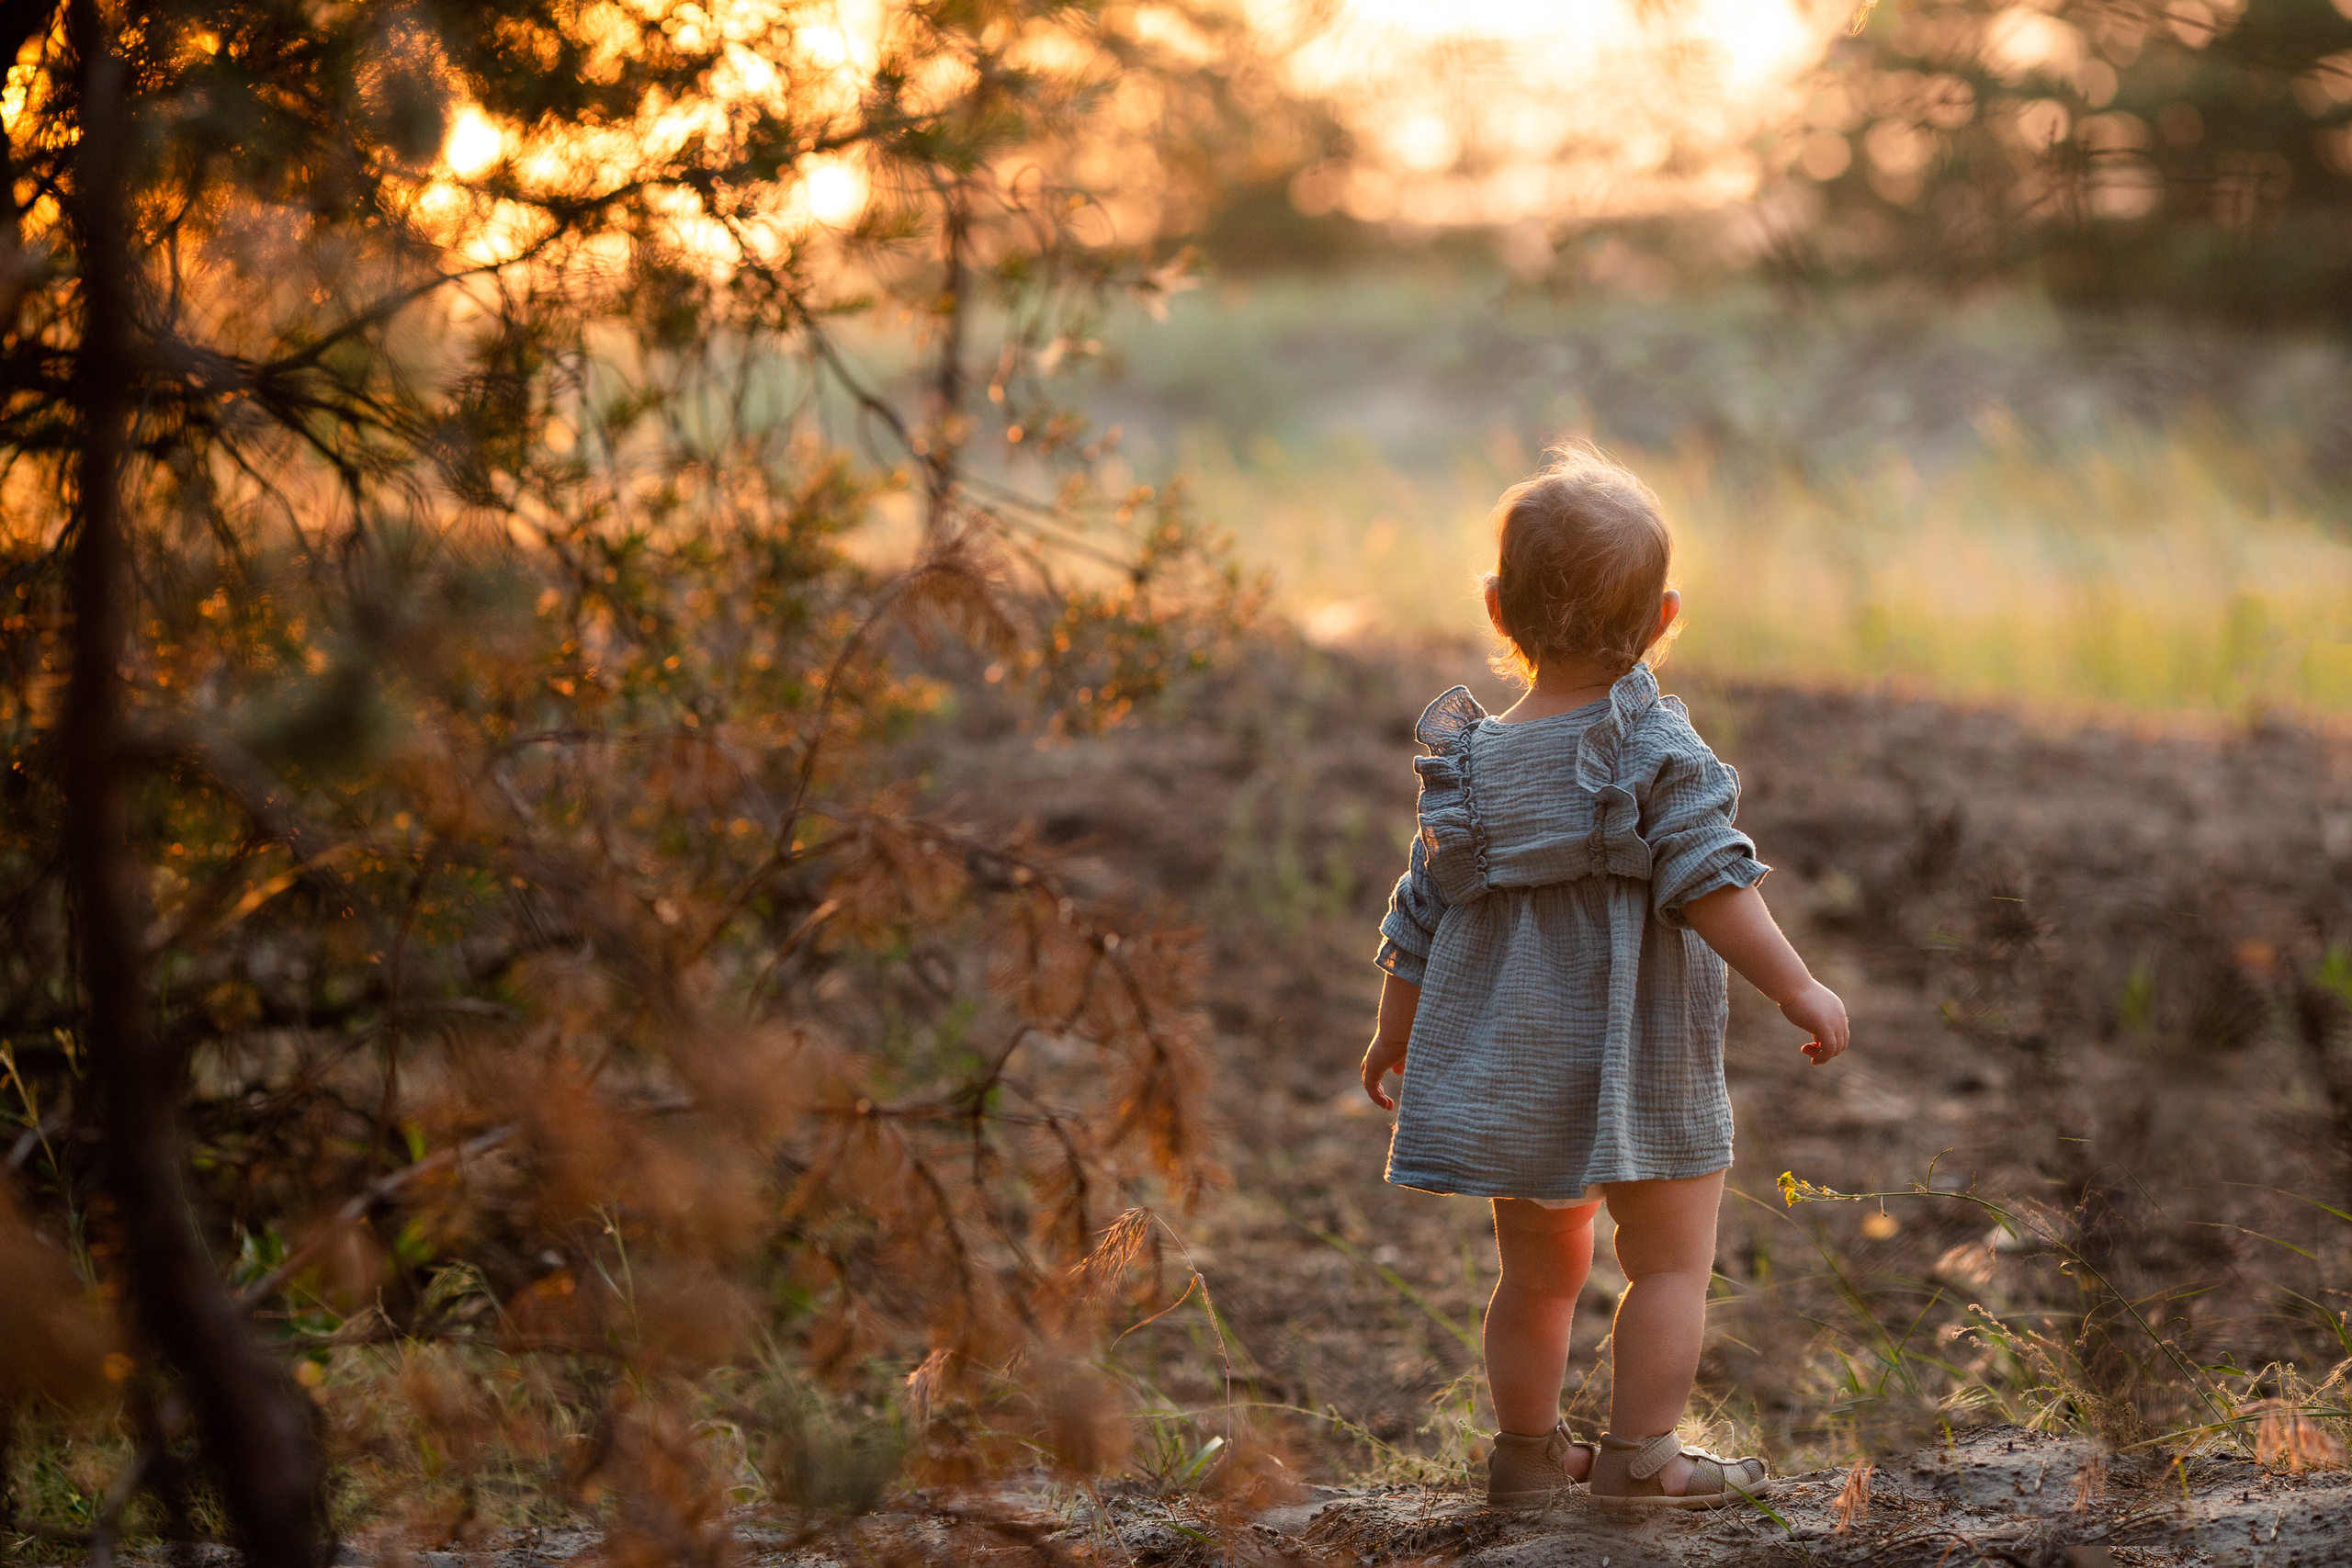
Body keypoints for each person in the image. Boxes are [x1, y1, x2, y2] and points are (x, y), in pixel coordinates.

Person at [1359, 446, 1849, 1509]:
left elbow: (1421, 915)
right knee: (1667, 1267)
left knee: (1535, 1275)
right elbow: (1713, 881)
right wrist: (1795, 986)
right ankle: (1641, 1459)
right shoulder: (1648, 741)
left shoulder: (1469, 766)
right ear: (1664, 616)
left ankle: (1526, 1458)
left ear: (1497, 609)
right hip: (1646, 1060)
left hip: (1517, 1062)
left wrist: (1392, 1034)